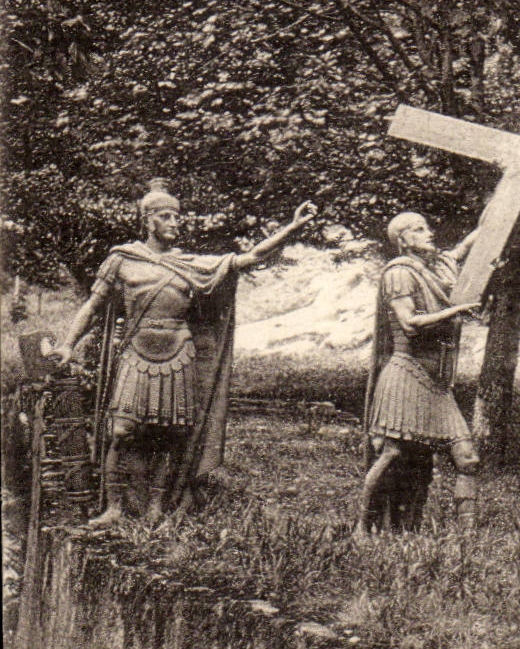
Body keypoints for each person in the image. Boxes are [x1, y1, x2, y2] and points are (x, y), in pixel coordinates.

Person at [55, 180, 316, 524]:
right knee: (121, 432)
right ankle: (115, 507)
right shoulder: (122, 259)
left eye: (177, 216)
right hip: (136, 352)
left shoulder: (193, 264)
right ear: (148, 220)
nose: (175, 223)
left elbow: (248, 258)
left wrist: (292, 228)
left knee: (171, 436)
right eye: (166, 216)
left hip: (179, 354)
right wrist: (67, 344)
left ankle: (156, 507)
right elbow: (92, 307)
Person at [358, 212, 482, 534]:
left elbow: (464, 249)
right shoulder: (399, 274)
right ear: (402, 240)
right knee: (391, 454)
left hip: (436, 381)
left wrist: (495, 221)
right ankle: (362, 527)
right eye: (418, 229)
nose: (429, 233)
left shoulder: (437, 268)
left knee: (467, 457)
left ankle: (469, 540)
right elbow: (409, 323)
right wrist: (456, 310)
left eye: (428, 226)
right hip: (406, 373)